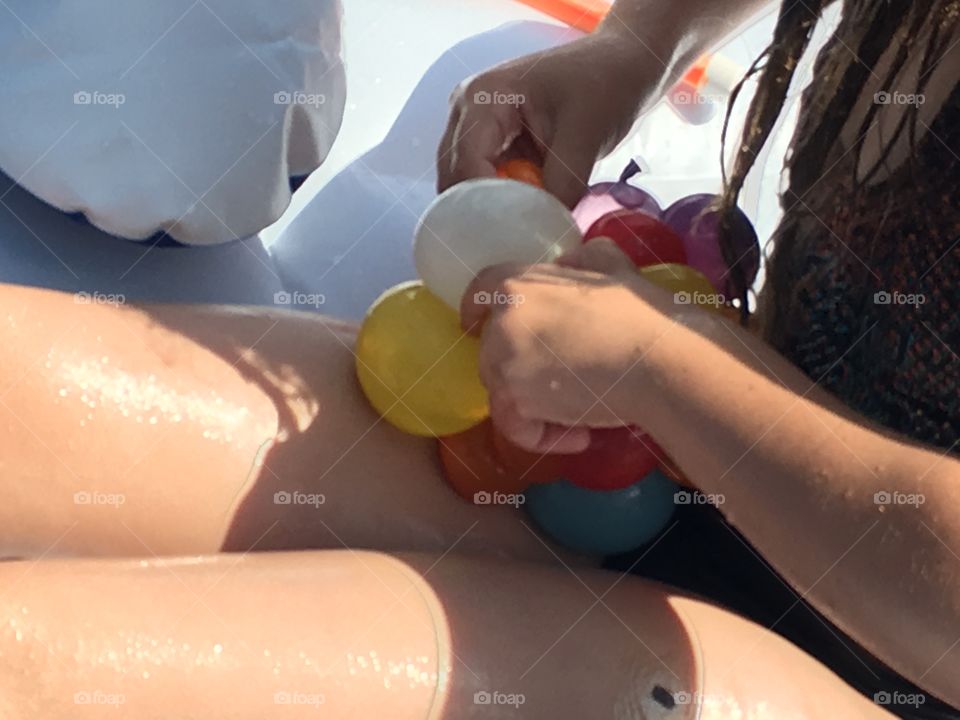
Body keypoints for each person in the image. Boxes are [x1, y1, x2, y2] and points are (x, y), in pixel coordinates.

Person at [0, 2, 957, 719]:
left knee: (35, 663)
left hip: (893, 661)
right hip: (686, 457)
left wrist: (672, 368)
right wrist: (634, 49)